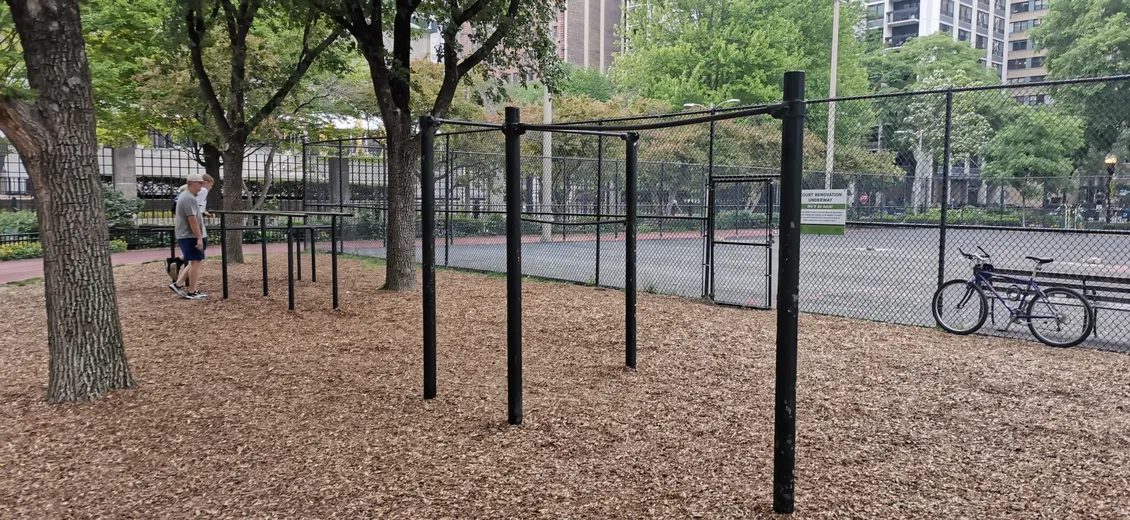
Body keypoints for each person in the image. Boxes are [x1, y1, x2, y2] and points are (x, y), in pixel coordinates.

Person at [169, 174, 208, 299]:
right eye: (200, 183)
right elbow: (192, 219)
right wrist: (199, 237)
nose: (202, 186)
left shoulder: (187, 197)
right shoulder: (188, 198)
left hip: (188, 235)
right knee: (195, 262)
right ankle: (192, 291)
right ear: (192, 183)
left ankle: (179, 284)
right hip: (189, 235)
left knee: (194, 261)